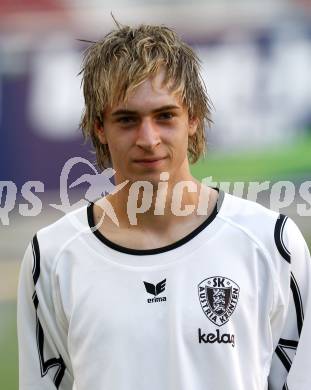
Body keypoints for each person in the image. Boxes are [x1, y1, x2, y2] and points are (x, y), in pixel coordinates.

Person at [17, 23, 311, 390]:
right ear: (99, 128)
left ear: (194, 118)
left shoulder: (272, 245)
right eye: (127, 119)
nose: (148, 138)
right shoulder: (52, 258)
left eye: (165, 116)